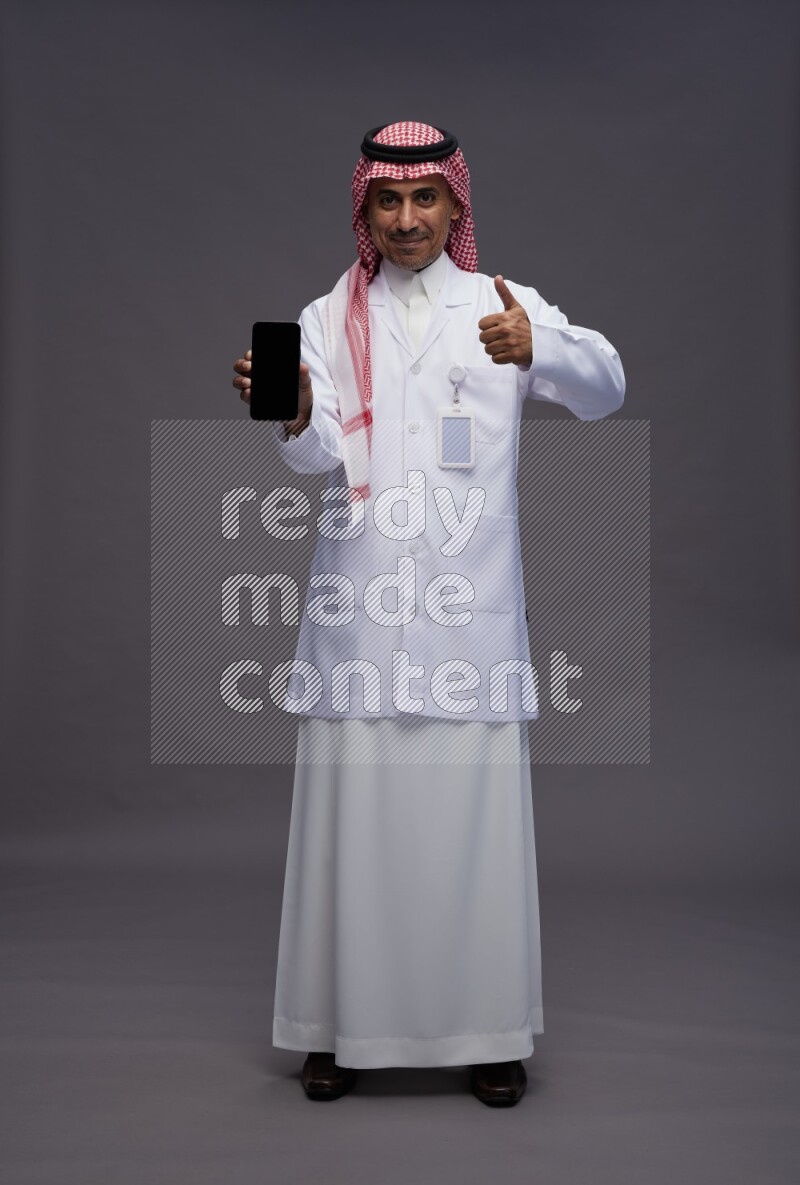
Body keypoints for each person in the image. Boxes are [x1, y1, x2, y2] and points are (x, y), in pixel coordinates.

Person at [233, 121, 625, 1106]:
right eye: (387, 201)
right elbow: (314, 454)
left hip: (468, 621)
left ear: (454, 205)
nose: (406, 219)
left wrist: (543, 348)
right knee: (351, 837)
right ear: (364, 209)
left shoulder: (501, 304)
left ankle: (486, 1034)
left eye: (424, 199)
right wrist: (290, 410)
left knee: (470, 840)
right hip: (360, 612)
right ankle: (333, 1029)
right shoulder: (328, 317)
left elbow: (606, 390)